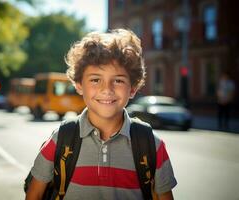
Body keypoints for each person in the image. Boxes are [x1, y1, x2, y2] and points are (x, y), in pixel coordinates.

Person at [26, 29, 177, 200]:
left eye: (118, 80)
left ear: (133, 88)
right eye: (95, 80)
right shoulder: (61, 138)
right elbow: (34, 194)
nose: (107, 89)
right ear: (79, 85)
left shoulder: (152, 145)